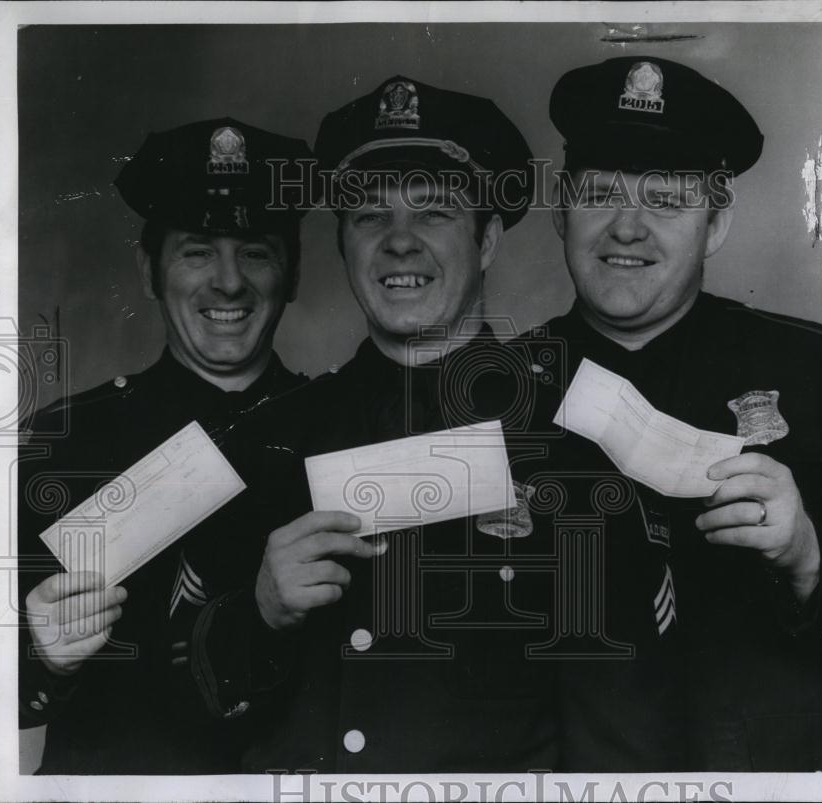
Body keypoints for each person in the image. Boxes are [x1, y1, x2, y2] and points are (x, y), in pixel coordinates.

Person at [512, 56, 822, 771]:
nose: (627, 228)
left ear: (716, 224)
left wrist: (810, 557)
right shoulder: (493, 392)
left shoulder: (815, 369)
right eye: (601, 193)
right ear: (560, 209)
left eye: (666, 200)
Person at [188, 76, 569, 773]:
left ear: (487, 240)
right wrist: (261, 611)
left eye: (432, 213)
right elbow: (178, 698)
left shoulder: (569, 435)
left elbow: (624, 716)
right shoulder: (263, 439)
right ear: (341, 245)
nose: (398, 242)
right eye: (368, 215)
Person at [18, 117, 313, 773]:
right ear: (149, 270)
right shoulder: (71, 437)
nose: (228, 282)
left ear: (293, 273)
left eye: (257, 250)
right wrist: (37, 650)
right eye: (198, 250)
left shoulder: (338, 429)